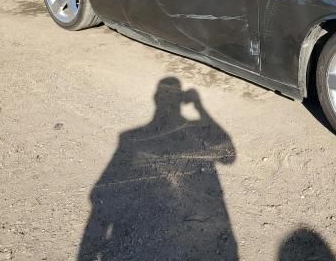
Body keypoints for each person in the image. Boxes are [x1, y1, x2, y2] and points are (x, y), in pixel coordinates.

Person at [78, 77, 237, 260]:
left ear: (155, 99)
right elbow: (228, 156)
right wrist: (199, 107)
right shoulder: (132, 138)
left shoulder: (130, 138)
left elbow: (100, 194)